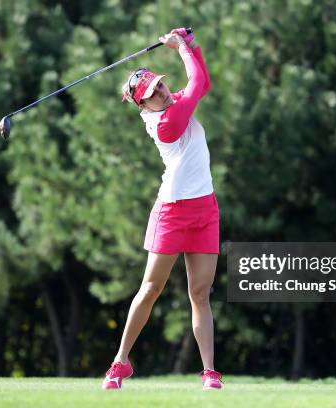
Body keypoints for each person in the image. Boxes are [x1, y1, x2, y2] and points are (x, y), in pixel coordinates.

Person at [101, 28, 223, 390]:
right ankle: (120, 362)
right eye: (154, 93)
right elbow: (197, 81)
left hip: (205, 210)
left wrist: (194, 47)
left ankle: (209, 372)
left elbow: (204, 83)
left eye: (161, 86)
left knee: (200, 294)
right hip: (172, 212)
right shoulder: (166, 122)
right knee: (151, 287)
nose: (163, 92)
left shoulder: (173, 104)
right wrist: (183, 47)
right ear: (143, 104)